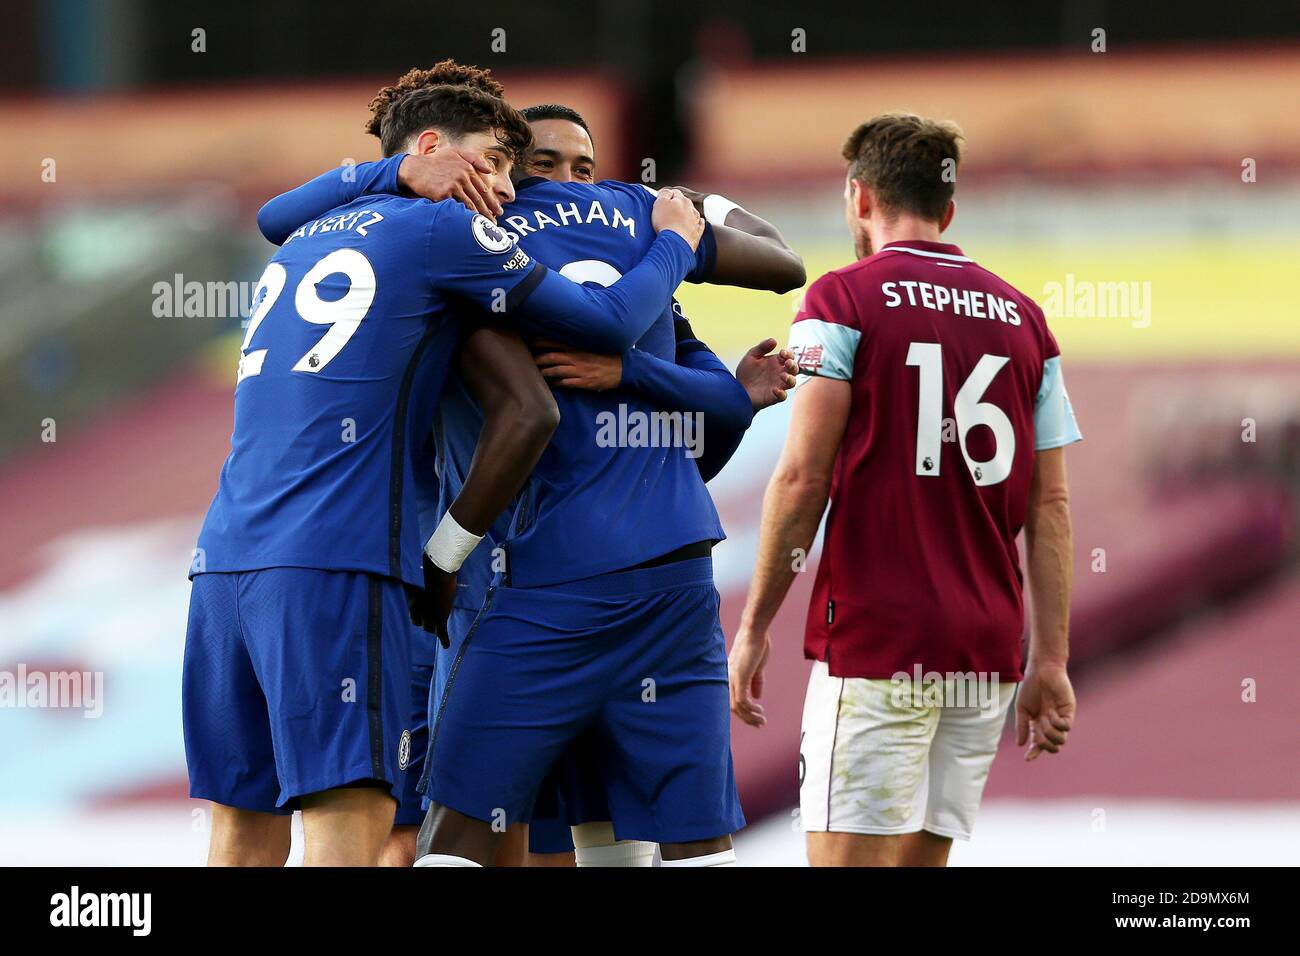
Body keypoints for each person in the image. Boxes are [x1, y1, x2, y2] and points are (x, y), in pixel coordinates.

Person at [183, 81, 706, 866]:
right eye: (496, 163)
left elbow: (269, 215)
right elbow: (601, 326)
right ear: (429, 150)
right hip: (337, 565)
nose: (505, 188)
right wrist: (675, 242)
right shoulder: (444, 233)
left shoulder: (308, 234)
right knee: (348, 824)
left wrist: (378, 175)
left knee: (240, 833)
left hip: (224, 561)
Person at [729, 113, 1082, 867]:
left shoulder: (840, 300)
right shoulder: (1027, 321)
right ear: (948, 209)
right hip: (985, 649)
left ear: (859, 198)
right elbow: (1049, 506)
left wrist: (756, 622)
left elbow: (802, 476)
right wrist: (1050, 657)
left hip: (879, 644)